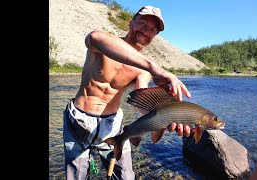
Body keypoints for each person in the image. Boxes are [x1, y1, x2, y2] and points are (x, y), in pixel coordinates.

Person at [63, 5, 192, 180]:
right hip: (79, 121)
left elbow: (142, 103)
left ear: (155, 36)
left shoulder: (143, 70)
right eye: (143, 24)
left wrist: (167, 118)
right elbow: (93, 37)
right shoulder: (105, 44)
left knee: (125, 176)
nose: (147, 31)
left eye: (153, 30)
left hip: (113, 125)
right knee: (76, 176)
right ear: (131, 23)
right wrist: (154, 67)